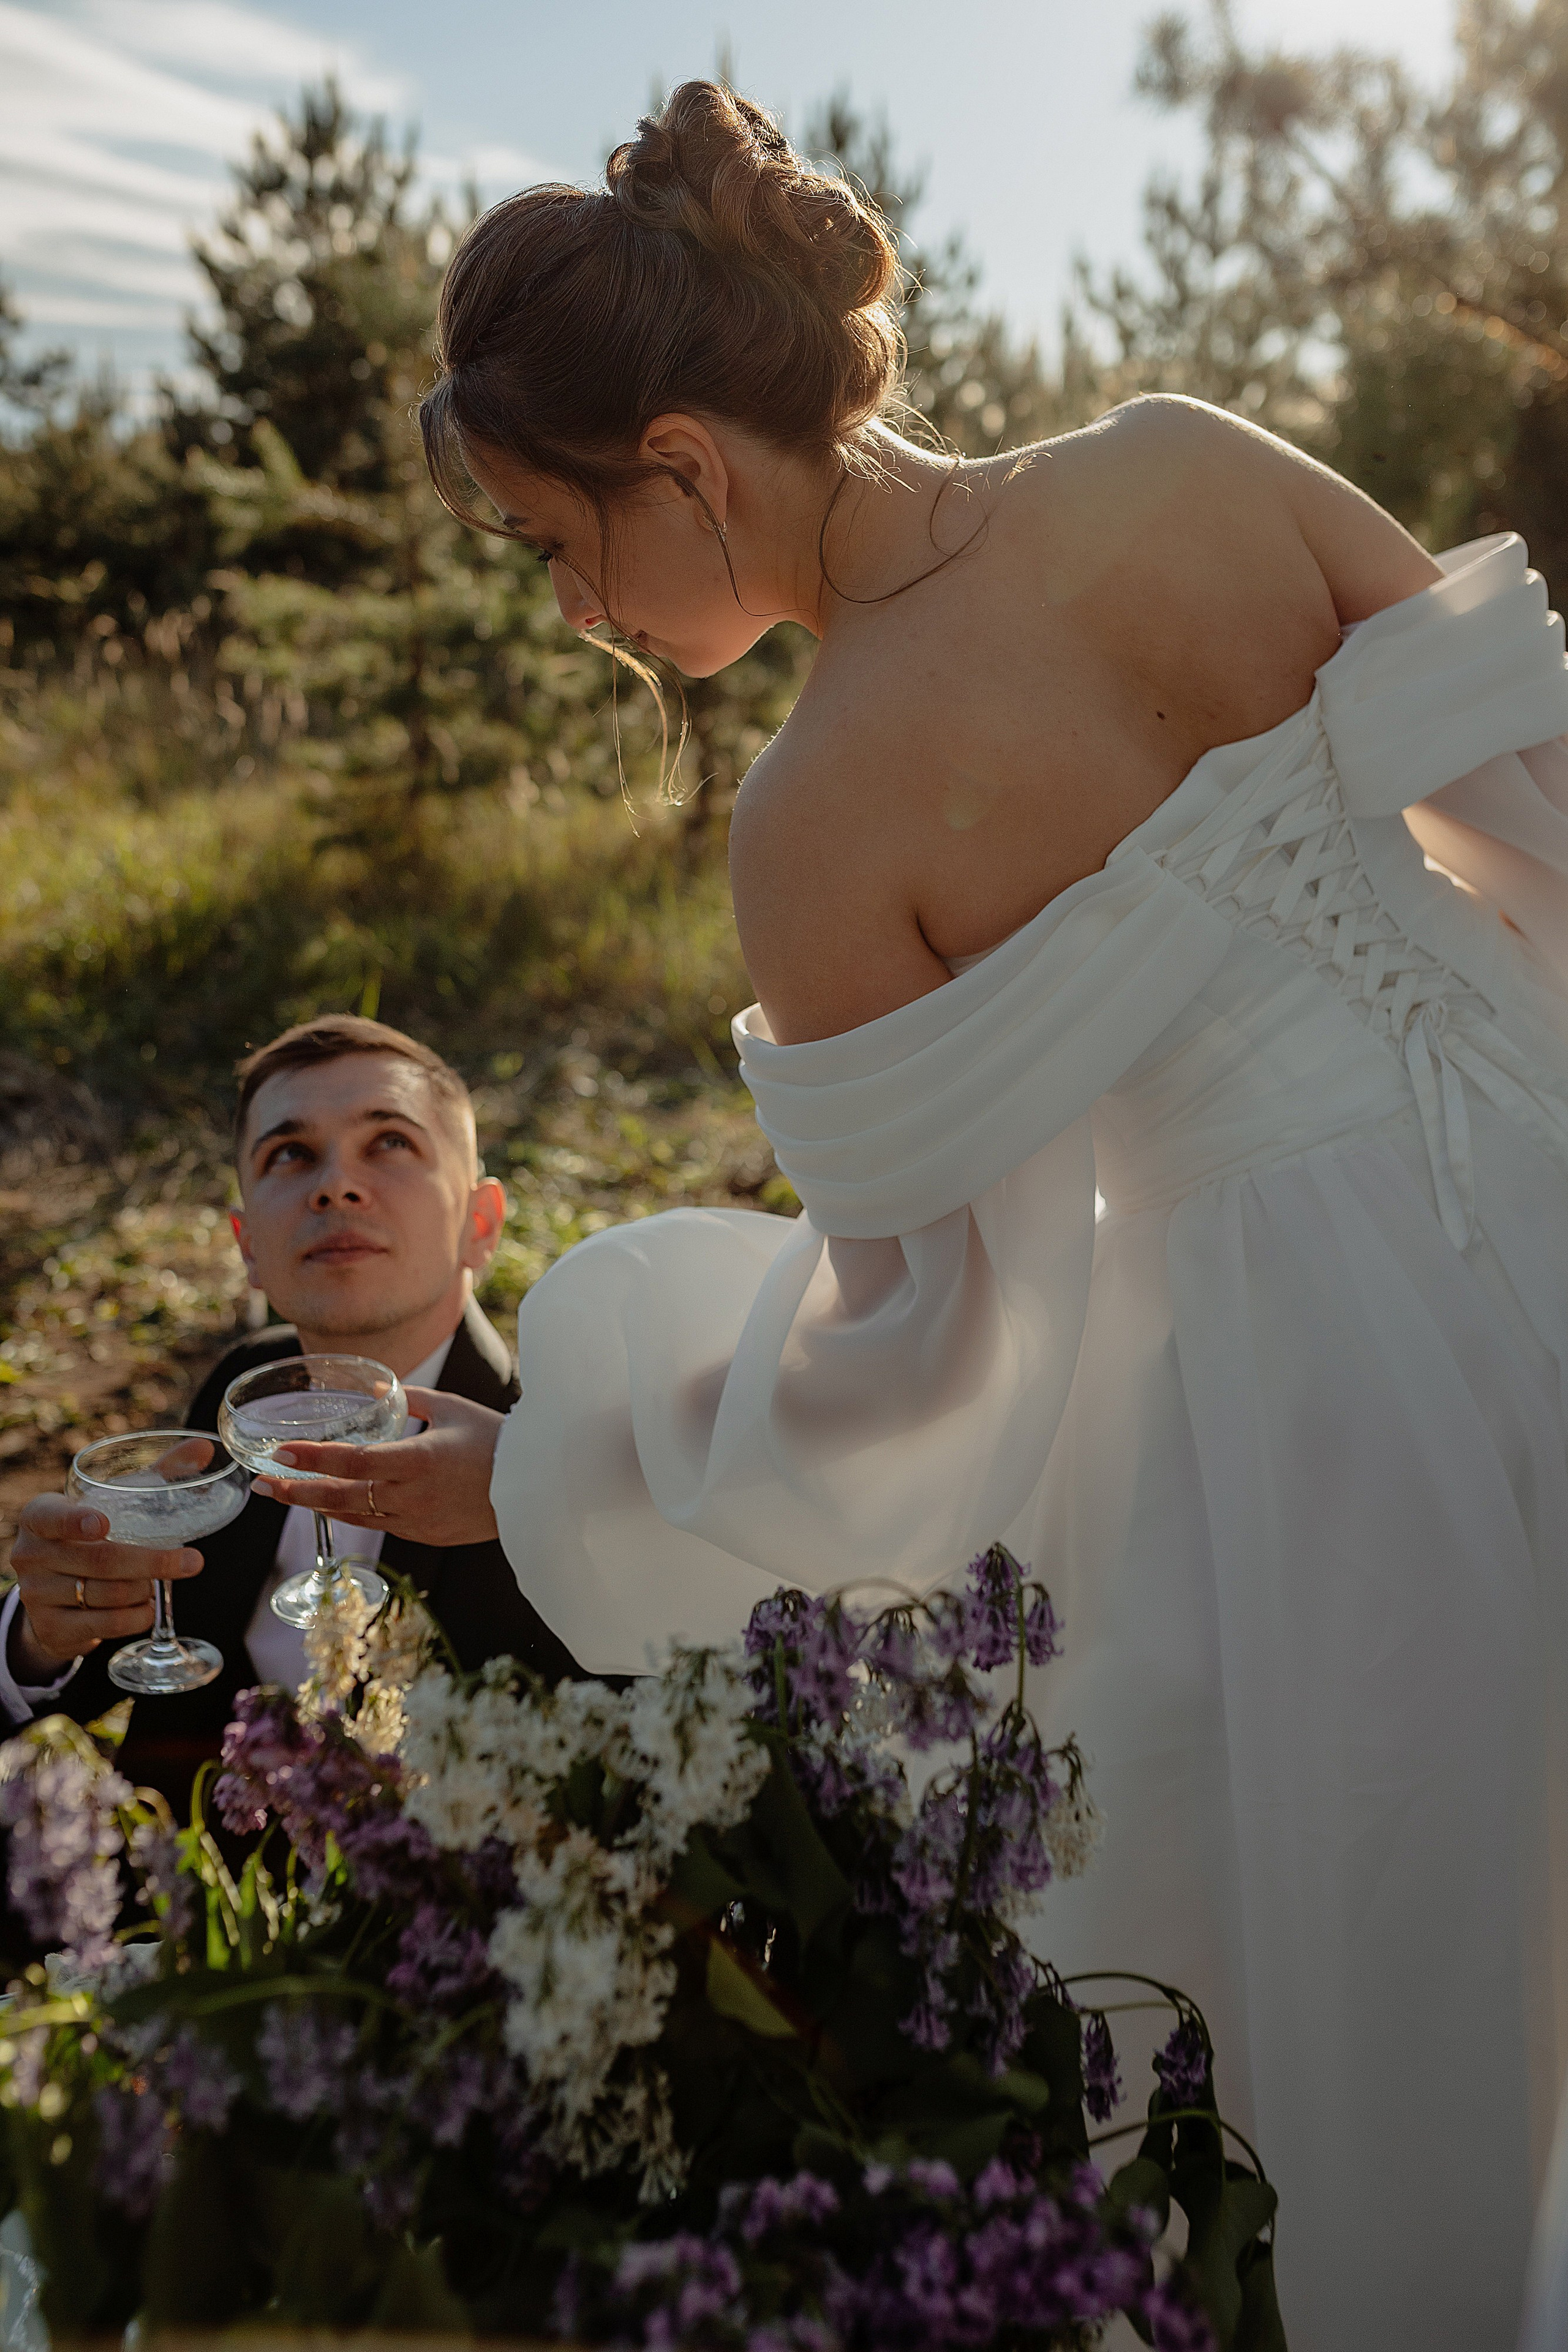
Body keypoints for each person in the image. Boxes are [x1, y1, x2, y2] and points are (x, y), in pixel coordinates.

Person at [250, 81, 1568, 2352]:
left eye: (552, 541)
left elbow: (920, 1355)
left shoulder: (821, 815)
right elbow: (1536, 796)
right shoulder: (1187, 458)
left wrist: (560, 1457)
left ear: (681, 456)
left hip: (1317, 1403)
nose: (570, 610)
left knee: (1431, 1958)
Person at [4, 1015, 586, 1819]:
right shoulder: (239, 1392)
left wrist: (536, 1488)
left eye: (390, 1143)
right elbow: (137, 1637)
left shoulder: (559, 1450)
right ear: (248, 1247)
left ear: (479, 1224)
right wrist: (39, 1637)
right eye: (291, 1154)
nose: (336, 1186)